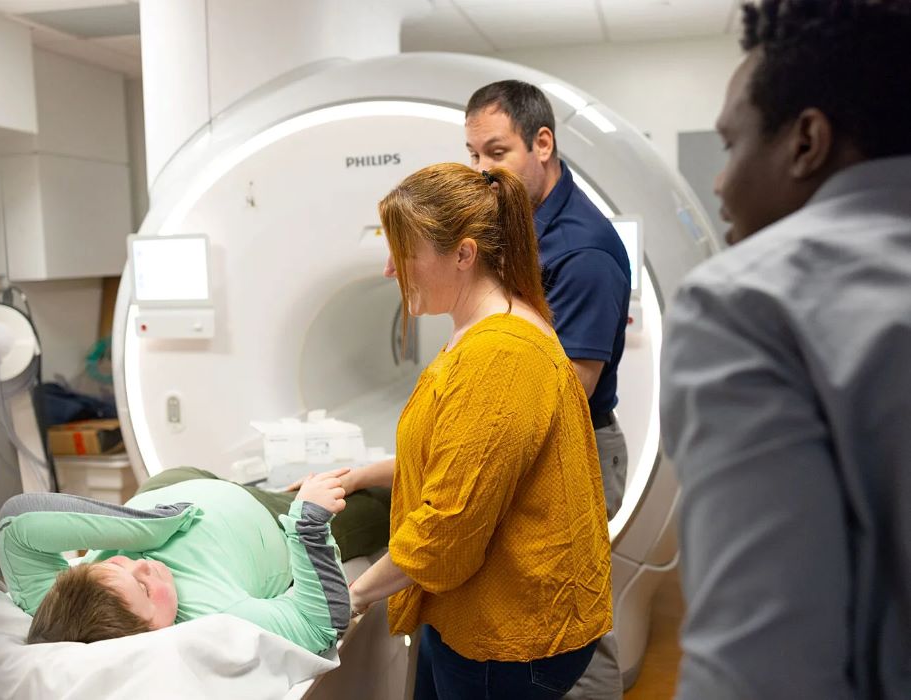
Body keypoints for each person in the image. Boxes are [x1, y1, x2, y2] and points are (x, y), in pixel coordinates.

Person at [659, 2, 911, 698]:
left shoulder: (745, 305)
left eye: (731, 145)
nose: (718, 182)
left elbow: (759, 673)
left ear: (806, 141)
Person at [347, 162, 613, 699]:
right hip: (474, 615)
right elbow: (467, 460)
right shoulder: (483, 332)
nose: (389, 271)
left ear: (464, 254)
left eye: (404, 253)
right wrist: (362, 475)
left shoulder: (499, 357)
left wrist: (349, 598)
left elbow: (448, 528)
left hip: (509, 635)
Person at [465, 79, 630, 700]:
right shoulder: (517, 222)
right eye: (473, 154)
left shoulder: (582, 250)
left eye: (496, 153)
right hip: (542, 445)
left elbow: (568, 388)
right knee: (541, 614)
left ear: (542, 143)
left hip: (577, 447)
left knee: (574, 624)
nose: (481, 170)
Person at [0, 466, 388, 653]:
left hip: (172, 487)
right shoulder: (212, 616)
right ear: (152, 630)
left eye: (116, 565)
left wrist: (146, 527)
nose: (141, 564)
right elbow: (318, 624)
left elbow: (17, 523)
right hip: (266, 515)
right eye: (145, 588)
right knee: (382, 507)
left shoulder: (63, 607)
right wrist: (308, 522)